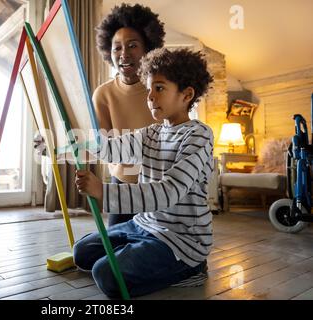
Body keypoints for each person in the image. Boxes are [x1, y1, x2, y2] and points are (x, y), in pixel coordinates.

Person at [74, 47, 215, 298]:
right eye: (149, 88)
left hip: (180, 240)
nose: (149, 96)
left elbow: (168, 192)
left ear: (186, 95)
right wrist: (70, 143)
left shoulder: (199, 136)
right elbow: (110, 149)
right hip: (143, 225)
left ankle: (192, 269)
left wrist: (103, 192)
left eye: (159, 88)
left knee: (105, 274)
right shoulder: (151, 132)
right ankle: (140, 253)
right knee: (81, 253)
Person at [92, 3, 165, 227]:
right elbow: (104, 148)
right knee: (107, 253)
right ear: (108, 52)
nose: (124, 54)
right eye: (117, 48)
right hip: (122, 185)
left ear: (147, 48)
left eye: (132, 45)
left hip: (160, 187)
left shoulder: (163, 87)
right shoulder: (103, 94)